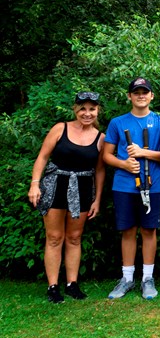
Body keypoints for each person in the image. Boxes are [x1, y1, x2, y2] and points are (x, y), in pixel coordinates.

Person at [28, 92, 106, 303]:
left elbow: (99, 171)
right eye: (82, 108)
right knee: (54, 237)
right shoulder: (60, 128)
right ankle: (53, 286)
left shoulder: (101, 139)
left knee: (74, 237)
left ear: (98, 111)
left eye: (92, 109)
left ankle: (72, 283)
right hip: (55, 186)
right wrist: (35, 184)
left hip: (82, 188)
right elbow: (43, 157)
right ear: (75, 109)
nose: (87, 113)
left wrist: (97, 199)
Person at [102, 78, 160, 300]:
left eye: (145, 92)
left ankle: (147, 279)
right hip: (124, 185)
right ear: (129, 96)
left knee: (149, 230)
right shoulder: (117, 123)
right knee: (128, 231)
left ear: (152, 96)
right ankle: (127, 278)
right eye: (136, 92)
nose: (141, 96)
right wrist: (123, 163)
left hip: (153, 184)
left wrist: (143, 153)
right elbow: (106, 155)